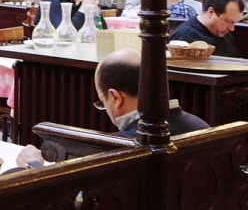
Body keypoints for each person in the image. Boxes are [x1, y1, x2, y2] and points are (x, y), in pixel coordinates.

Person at [17, 49, 209, 167]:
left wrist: (32, 165)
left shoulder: (118, 148)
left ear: (116, 97)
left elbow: (66, 199)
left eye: (102, 101)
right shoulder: (203, 127)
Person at [169, 0, 244, 58]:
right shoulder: (185, 35)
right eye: (229, 21)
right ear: (211, 12)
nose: (232, 28)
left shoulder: (224, 34)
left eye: (234, 23)